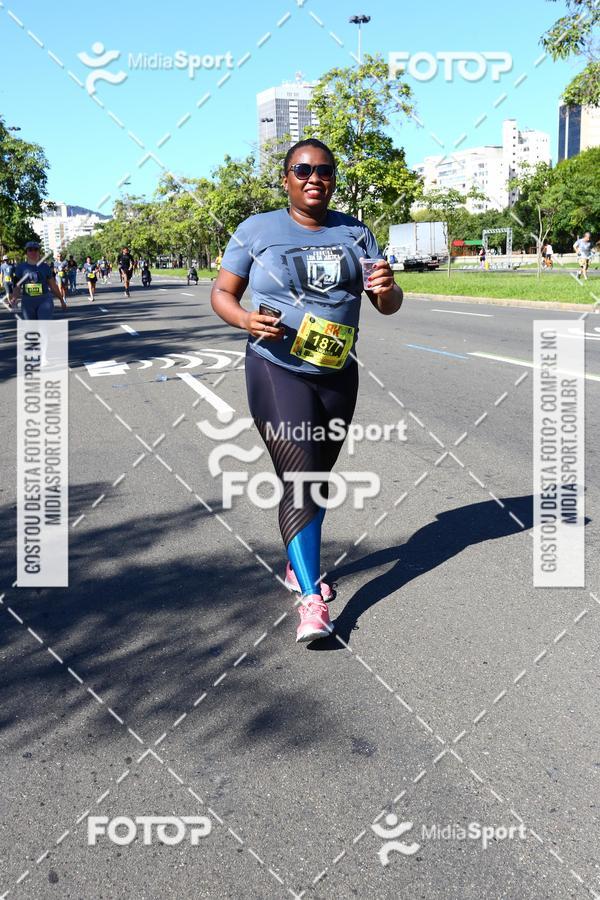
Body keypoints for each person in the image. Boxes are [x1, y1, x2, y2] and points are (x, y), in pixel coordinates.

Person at [211, 138, 403, 644]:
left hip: (339, 371)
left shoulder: (356, 232)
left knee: (317, 476)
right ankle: (311, 600)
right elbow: (223, 294)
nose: (314, 177)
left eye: (324, 170)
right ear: (286, 179)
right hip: (276, 366)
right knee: (300, 476)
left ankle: (298, 563)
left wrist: (387, 289)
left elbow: (389, 303)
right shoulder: (257, 230)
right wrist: (246, 320)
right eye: (302, 169)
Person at [10, 241, 64, 318]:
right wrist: (14, 297)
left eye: (35, 249)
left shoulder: (45, 267)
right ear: (26, 252)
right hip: (27, 302)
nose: (33, 252)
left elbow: (53, 286)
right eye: (30, 250)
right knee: (32, 328)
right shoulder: (20, 267)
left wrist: (61, 299)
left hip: (44, 300)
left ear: (39, 252)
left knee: (44, 324)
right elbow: (17, 286)